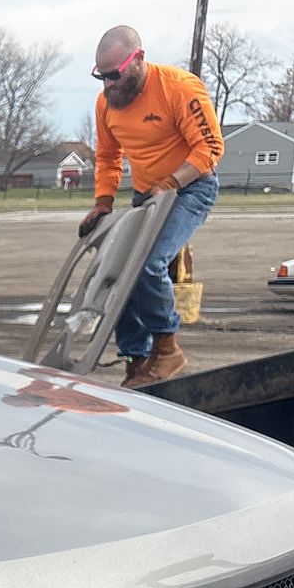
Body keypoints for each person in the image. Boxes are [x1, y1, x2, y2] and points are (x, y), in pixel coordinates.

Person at [77, 25, 223, 386]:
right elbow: (108, 157)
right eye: (101, 76)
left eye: (114, 75)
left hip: (190, 189)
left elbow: (210, 148)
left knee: (147, 264)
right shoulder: (106, 104)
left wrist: (172, 182)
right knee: (120, 272)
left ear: (138, 59)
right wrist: (103, 203)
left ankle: (166, 347)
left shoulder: (179, 88)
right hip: (146, 195)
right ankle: (136, 359)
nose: (108, 84)